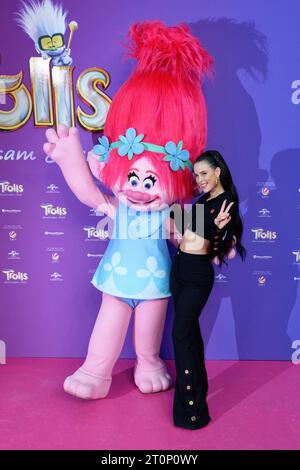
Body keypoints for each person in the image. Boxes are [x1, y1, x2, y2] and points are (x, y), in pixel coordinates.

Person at [169, 149, 246, 430]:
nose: (199, 179)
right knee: (189, 336)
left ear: (217, 171)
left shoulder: (227, 204)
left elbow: (219, 247)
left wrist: (217, 229)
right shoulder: (203, 200)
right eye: (196, 174)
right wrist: (178, 216)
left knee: (181, 333)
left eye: (204, 173)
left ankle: (192, 412)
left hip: (197, 275)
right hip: (179, 270)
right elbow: (186, 233)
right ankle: (196, 398)